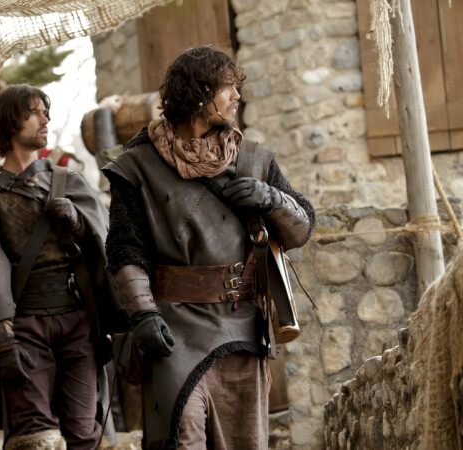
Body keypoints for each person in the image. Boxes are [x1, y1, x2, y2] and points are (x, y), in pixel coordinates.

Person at [103, 46, 315, 449]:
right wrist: (143, 313)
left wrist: (271, 199)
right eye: (227, 87)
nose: (237, 96)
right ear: (199, 94)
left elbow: (302, 229)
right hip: (175, 329)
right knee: (181, 437)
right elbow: (125, 249)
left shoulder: (253, 160)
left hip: (243, 326)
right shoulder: (137, 166)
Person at [0, 84, 118, 449]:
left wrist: (78, 223)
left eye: (46, 113)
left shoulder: (69, 182)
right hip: (25, 326)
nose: (45, 120)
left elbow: (109, 244)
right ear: (11, 122)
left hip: (78, 322)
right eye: (34, 113)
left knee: (83, 433)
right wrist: (1, 341)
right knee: (35, 436)